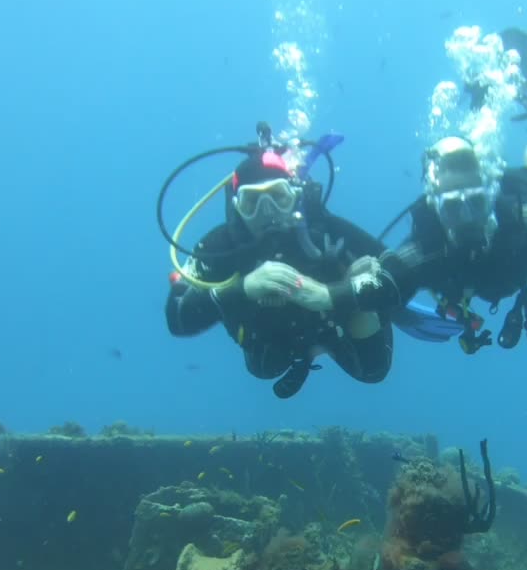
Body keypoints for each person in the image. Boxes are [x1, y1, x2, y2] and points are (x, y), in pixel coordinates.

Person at [288, 28, 527, 361]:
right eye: (451, 208)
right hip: (489, 277)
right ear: (434, 206)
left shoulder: (525, 219)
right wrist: (325, 292)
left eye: (475, 202)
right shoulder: (422, 251)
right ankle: (483, 103)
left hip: (511, 244)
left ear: (490, 193)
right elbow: (370, 286)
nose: (465, 218)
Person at [163, 126, 403, 399]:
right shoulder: (221, 246)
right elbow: (177, 319)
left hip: (335, 324)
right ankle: (302, 358)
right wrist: (243, 289)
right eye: (251, 202)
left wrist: (334, 295)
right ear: (236, 206)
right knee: (262, 370)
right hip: (271, 341)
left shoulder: (324, 230)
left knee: (373, 372)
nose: (267, 212)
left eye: (278, 197)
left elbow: (400, 271)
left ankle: (342, 319)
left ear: (295, 196)